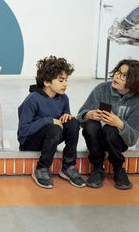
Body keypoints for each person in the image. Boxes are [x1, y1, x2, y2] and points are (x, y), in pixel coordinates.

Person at [77, 59, 139, 190]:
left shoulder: (137, 101)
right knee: (90, 125)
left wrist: (120, 124)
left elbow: (133, 139)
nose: (117, 76)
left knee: (110, 129)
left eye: (124, 75)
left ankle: (118, 169)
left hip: (117, 142)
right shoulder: (102, 89)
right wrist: (88, 115)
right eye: (118, 72)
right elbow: (79, 116)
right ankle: (98, 168)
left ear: (134, 81)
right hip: (97, 140)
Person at [17, 56, 86, 189]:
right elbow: (23, 131)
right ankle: (42, 169)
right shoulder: (33, 99)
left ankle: (68, 167)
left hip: (52, 137)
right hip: (31, 141)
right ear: (47, 82)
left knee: (73, 123)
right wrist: (48, 120)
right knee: (54, 128)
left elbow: (64, 122)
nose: (65, 84)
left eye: (66, 80)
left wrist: (67, 116)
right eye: (61, 80)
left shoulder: (63, 98)